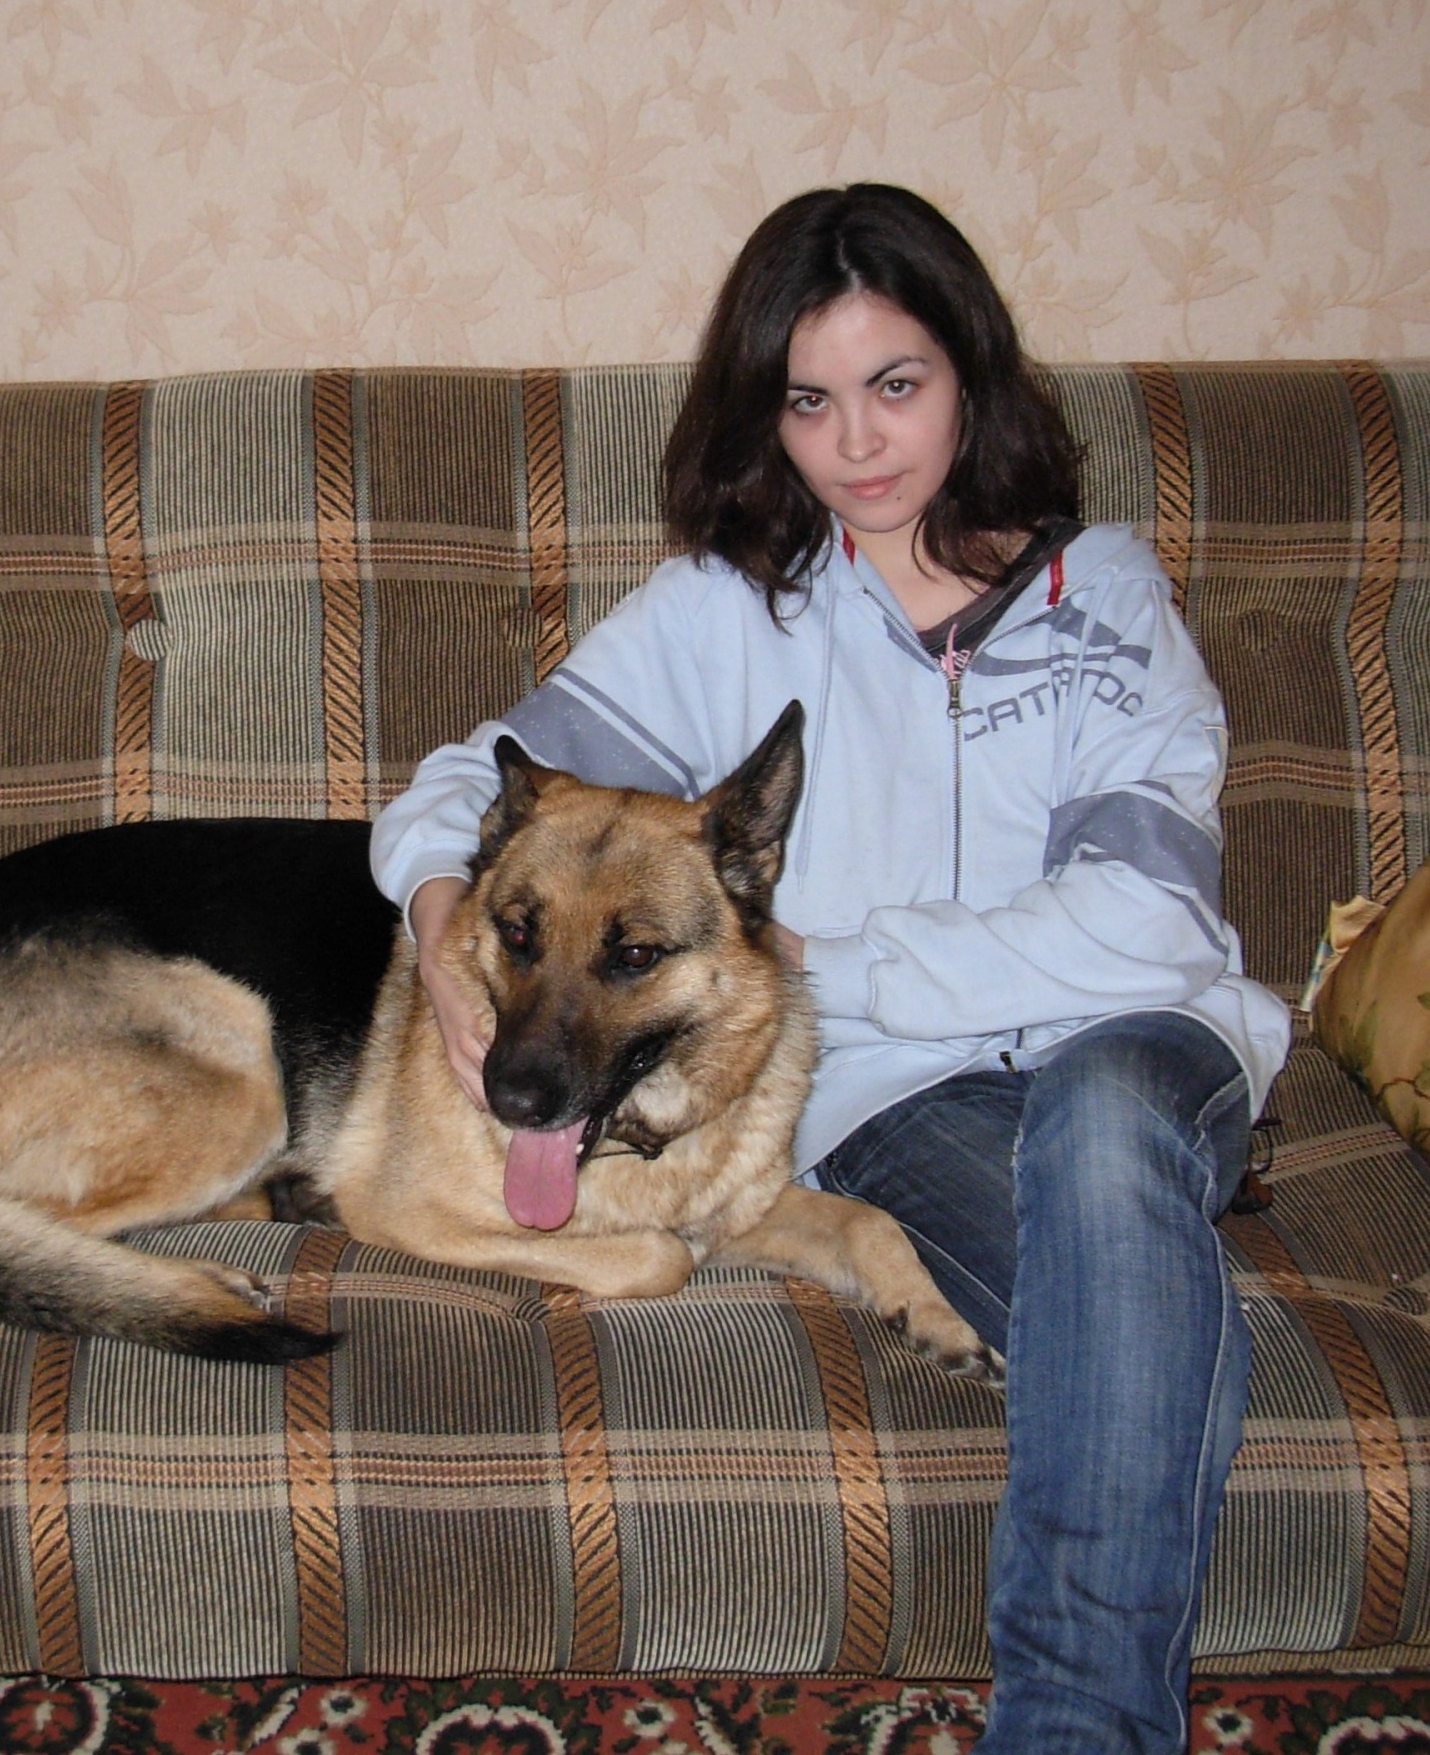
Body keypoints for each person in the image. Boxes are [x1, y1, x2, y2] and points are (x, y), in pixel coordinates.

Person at [367, 182, 1293, 1754]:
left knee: (1097, 1131)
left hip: (1139, 1045)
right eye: (810, 401)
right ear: (766, 415)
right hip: (898, 1099)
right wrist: (448, 939)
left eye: (896, 384)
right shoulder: (725, 616)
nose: (858, 444)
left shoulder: (1105, 596)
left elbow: (1147, 920)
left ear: (971, 373)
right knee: (1130, 1324)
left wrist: (826, 968)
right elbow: (467, 789)